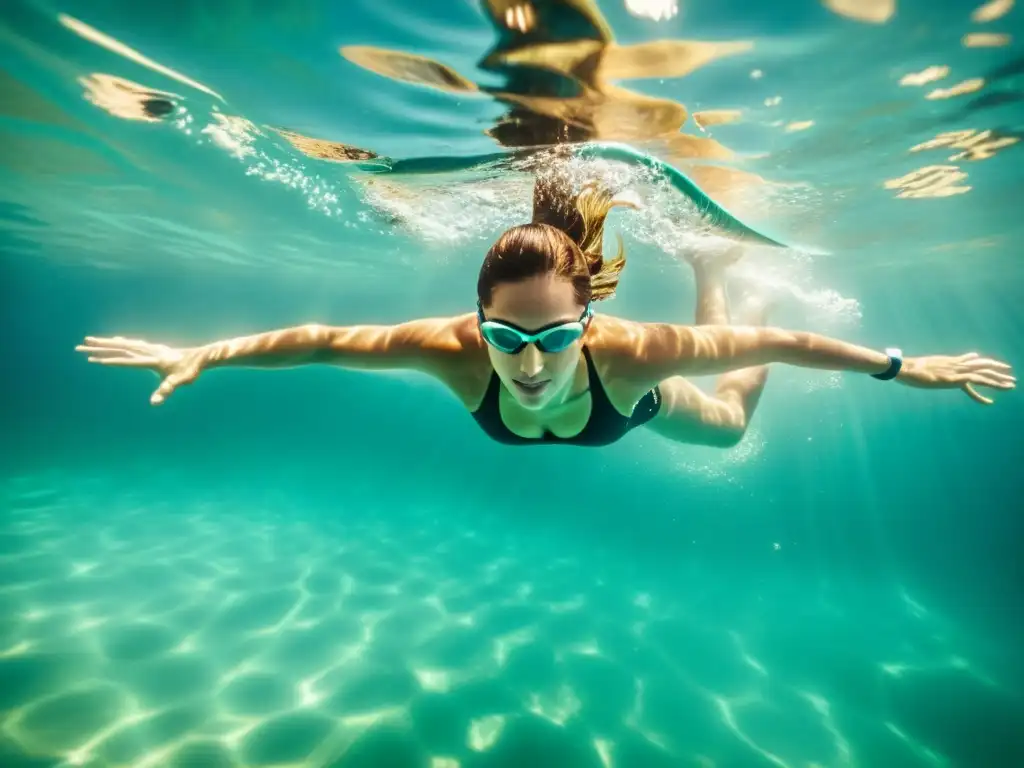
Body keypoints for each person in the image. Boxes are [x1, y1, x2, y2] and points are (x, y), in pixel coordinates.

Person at [76, 172, 1015, 449]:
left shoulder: (633, 355)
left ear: (588, 324)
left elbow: (783, 342)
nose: (528, 361)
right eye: (507, 336)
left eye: (557, 335)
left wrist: (905, 365)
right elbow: (323, 341)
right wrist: (206, 351)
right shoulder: (452, 351)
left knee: (728, 423)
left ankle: (718, 271)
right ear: (475, 322)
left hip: (630, 415)